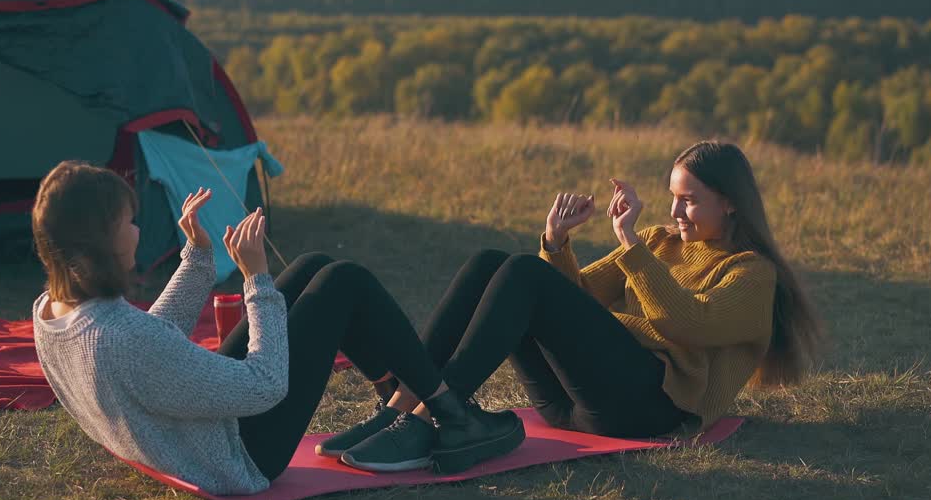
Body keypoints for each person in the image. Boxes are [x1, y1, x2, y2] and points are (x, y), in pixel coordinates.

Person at [31, 161, 523, 494]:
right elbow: (266, 385)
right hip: (237, 457)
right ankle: (451, 415)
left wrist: (199, 256)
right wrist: (257, 280)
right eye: (128, 222)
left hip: (189, 433)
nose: (137, 230)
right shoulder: (123, 339)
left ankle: (394, 404)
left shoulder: (52, 315)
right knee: (343, 282)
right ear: (99, 241)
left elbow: (155, 346)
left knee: (312, 266)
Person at [334, 141, 824, 469]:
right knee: (493, 263)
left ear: (731, 203)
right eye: (673, 198)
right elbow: (574, 298)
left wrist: (630, 245)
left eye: (689, 201)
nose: (674, 213)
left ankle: (438, 416)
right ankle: (402, 403)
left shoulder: (752, 275)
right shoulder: (659, 243)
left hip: (652, 410)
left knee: (525, 273)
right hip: (573, 405)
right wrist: (556, 240)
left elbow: (689, 323)